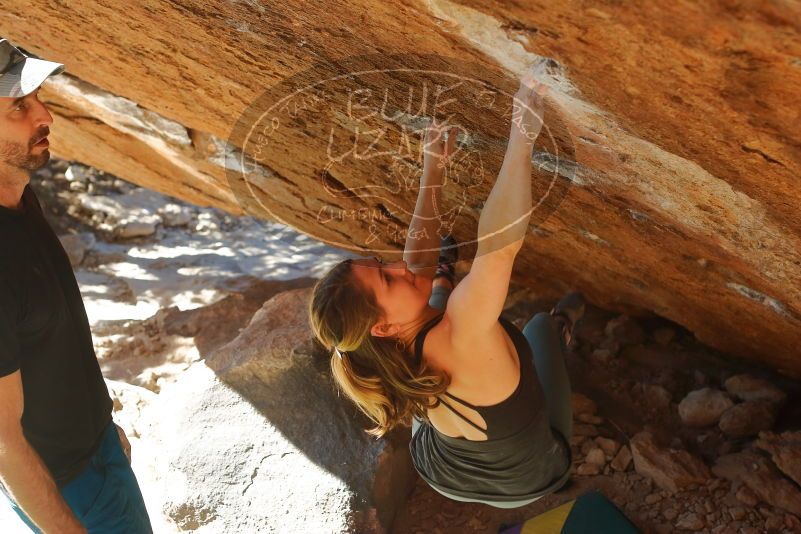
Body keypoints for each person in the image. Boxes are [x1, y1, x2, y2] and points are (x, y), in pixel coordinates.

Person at [309, 68, 582, 507]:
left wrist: (433, 166)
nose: (398, 264)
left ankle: (443, 274)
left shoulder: (383, 349)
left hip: (440, 469)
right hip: (528, 478)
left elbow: (416, 260)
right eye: (386, 276)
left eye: (382, 264)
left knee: (429, 293)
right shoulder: (464, 331)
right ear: (380, 326)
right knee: (538, 328)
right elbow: (499, 247)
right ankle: (561, 326)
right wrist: (522, 132)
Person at [0, 38, 152, 533]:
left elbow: (55, 332)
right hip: (66, 491)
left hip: (98, 455)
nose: (44, 115)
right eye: (18, 106)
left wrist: (101, 427)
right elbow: (2, 439)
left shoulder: (19, 195)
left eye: (37, 97)